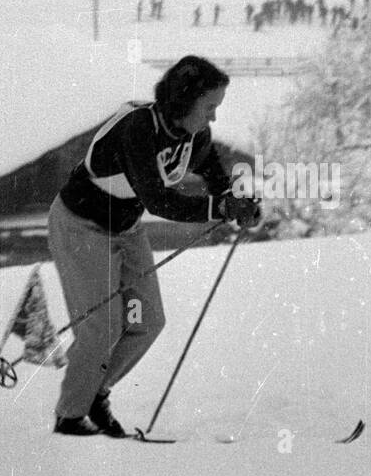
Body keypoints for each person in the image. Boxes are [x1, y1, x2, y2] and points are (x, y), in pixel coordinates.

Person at [47, 55, 260, 438]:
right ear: (184, 100)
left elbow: (210, 167)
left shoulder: (193, 135)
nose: (212, 118)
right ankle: (71, 417)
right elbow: (160, 200)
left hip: (124, 227)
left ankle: (95, 392)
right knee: (104, 327)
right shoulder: (139, 130)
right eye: (209, 107)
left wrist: (233, 199)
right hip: (80, 227)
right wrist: (220, 207)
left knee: (147, 321)